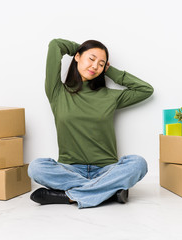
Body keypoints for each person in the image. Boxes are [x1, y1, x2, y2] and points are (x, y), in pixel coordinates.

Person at [28, 38, 154, 209]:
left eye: (101, 64)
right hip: (70, 169)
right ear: (77, 57)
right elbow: (55, 44)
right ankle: (109, 191)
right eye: (91, 59)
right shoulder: (57, 92)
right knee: (36, 168)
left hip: (107, 169)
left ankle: (69, 196)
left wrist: (110, 71)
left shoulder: (110, 96)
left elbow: (146, 90)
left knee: (138, 163)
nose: (95, 66)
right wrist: (79, 49)